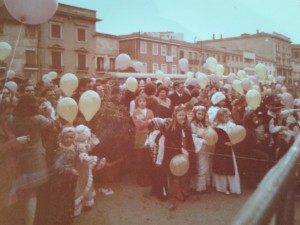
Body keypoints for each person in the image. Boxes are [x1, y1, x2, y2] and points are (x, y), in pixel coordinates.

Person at [8, 94, 54, 225]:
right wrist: (48, 112)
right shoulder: (37, 119)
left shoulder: (12, 120)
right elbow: (51, 123)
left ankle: (20, 217)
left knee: (22, 190)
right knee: (31, 194)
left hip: (18, 159)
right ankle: (29, 222)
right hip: (35, 159)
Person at [163, 104, 196, 209]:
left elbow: (189, 140)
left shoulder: (187, 126)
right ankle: (178, 191)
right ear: (175, 116)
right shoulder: (172, 127)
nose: (182, 117)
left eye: (183, 115)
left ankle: (183, 189)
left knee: (185, 171)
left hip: (186, 152)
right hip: (176, 154)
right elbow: (170, 143)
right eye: (180, 115)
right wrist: (180, 150)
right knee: (177, 173)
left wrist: (190, 150)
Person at [0, 102, 29, 211]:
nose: (10, 117)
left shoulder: (6, 126)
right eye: (7, 114)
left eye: (11, 113)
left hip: (10, 169)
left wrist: (20, 142)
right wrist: (16, 141)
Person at [47, 127, 78, 225]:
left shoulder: (74, 147)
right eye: (66, 137)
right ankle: (58, 220)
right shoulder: (59, 150)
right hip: (60, 179)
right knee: (60, 198)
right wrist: (70, 170)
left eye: (71, 137)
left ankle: (67, 219)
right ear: (62, 138)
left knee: (69, 197)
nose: (69, 140)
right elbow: (56, 167)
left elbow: (75, 159)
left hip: (71, 178)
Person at [212, 108, 241, 195]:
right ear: (220, 116)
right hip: (220, 150)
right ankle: (222, 187)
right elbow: (215, 139)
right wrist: (223, 143)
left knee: (231, 168)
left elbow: (236, 134)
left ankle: (234, 188)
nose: (227, 118)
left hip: (230, 149)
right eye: (225, 116)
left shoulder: (232, 125)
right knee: (222, 168)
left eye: (228, 116)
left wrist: (234, 142)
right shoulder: (216, 126)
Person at [132, 94, 154, 186]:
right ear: (137, 102)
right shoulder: (136, 112)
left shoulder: (149, 111)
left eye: (144, 101)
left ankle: (148, 178)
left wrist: (147, 123)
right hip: (140, 137)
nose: (142, 103)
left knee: (148, 157)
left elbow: (154, 122)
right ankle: (140, 178)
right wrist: (148, 122)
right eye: (140, 101)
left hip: (150, 136)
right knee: (140, 158)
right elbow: (138, 125)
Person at [190, 106, 213, 193]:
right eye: (199, 114)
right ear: (195, 114)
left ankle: (205, 184)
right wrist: (202, 140)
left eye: (202, 114)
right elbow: (193, 136)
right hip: (199, 146)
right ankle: (198, 186)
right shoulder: (192, 124)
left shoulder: (204, 124)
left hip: (206, 147)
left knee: (206, 164)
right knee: (200, 165)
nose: (200, 116)